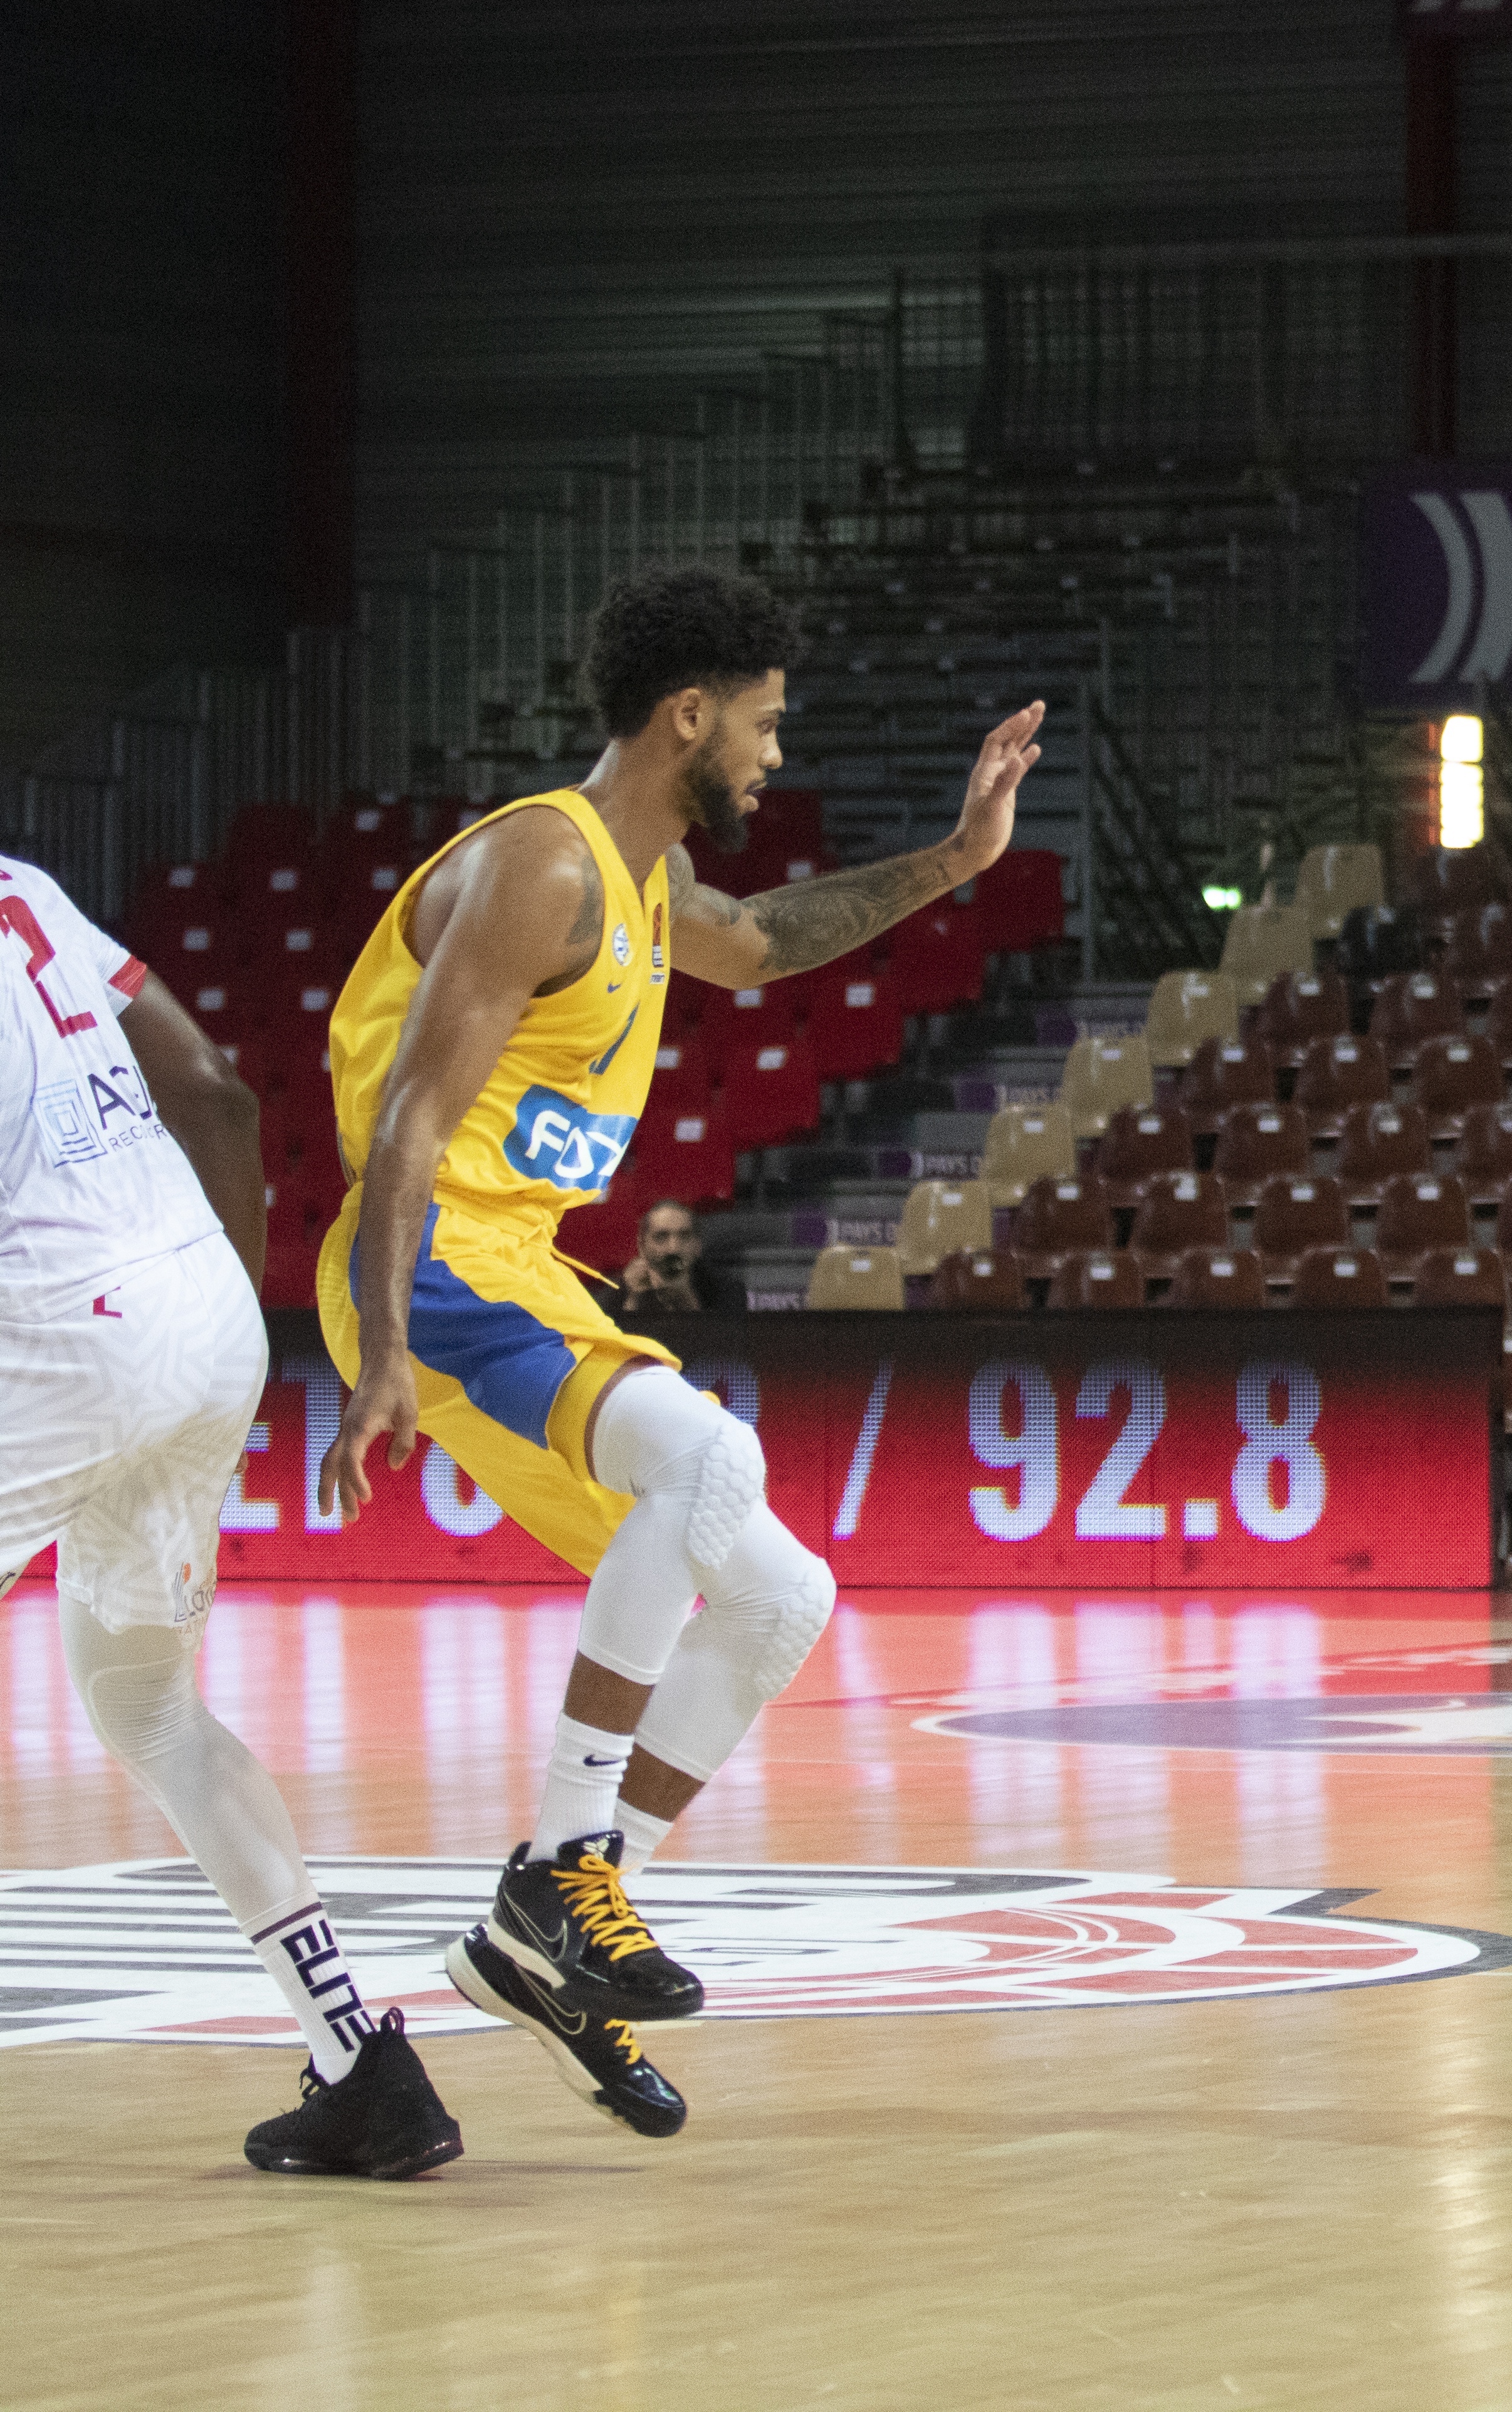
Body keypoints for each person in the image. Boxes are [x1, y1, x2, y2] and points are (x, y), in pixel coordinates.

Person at [315, 562, 1043, 2143]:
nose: (776, 757)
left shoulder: (644, 886)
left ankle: (552, 1933)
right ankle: (565, 1868)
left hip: (523, 1272)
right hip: (434, 1256)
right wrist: (380, 1341)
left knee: (784, 1589)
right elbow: (410, 1124)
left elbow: (770, 939)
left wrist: (962, 856)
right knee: (710, 1456)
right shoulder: (544, 868)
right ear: (688, 715)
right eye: (765, 726)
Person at [0, 849, 463, 2177]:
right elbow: (212, 1090)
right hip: (200, 1304)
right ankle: (363, 2066)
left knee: (145, 1704)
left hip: (59, 1319)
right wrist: (209, 1331)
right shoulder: (25, 881)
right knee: (149, 1703)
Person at [611, 1198, 737, 1316]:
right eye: (661, 1237)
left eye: (684, 1236)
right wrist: (634, 1299)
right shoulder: (616, 1291)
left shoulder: (726, 1291)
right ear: (642, 1246)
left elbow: (724, 1337)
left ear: (698, 1245)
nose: (674, 1249)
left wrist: (688, 1299)